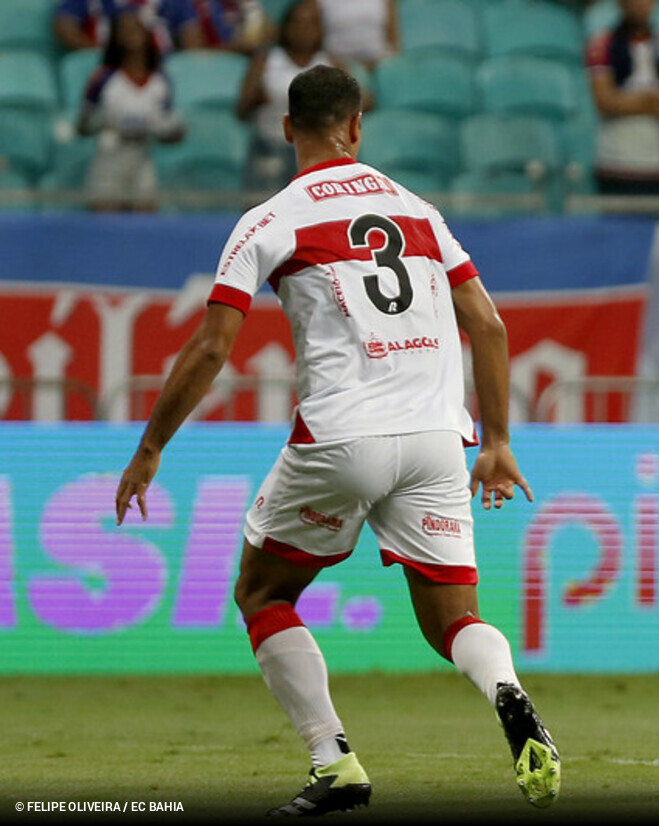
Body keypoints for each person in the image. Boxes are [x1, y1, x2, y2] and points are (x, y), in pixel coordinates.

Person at [114, 64, 560, 815]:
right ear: (357, 127)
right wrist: (499, 438)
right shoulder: (418, 210)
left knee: (261, 592)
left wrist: (152, 445)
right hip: (435, 439)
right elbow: (488, 322)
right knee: (455, 620)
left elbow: (212, 347)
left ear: (287, 129)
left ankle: (335, 763)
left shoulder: (269, 219)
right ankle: (509, 692)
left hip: (342, 437)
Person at [77, 8, 185, 212]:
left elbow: (173, 132)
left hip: (143, 154)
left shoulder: (160, 79)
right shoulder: (102, 78)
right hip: (110, 155)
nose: (131, 33)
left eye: (136, 27)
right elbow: (82, 126)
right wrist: (103, 121)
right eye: (124, 29)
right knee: (105, 214)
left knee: (145, 214)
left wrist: (164, 128)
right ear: (115, 36)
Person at [235, 0, 342, 195]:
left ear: (320, 28)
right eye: (298, 23)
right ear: (286, 26)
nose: (304, 30)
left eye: (311, 23)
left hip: (316, 152)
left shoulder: (330, 63)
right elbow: (241, 109)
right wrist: (257, 99)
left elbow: (362, 101)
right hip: (270, 147)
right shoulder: (266, 61)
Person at [586, 0, 659, 195]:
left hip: (654, 165)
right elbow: (605, 101)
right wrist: (655, 103)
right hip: (614, 163)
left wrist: (634, 101)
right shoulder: (603, 44)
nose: (641, 5)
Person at [54, 0, 204, 53]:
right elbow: (64, 24)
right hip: (105, 62)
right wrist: (98, 54)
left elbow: (191, 34)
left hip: (160, 67)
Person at [316, 0, 399, 71]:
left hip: (379, 64)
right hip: (336, 65)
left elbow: (393, 39)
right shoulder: (319, 2)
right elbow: (314, 41)